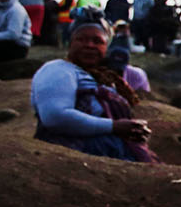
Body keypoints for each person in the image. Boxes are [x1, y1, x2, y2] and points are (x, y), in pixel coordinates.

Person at [31, 21, 156, 162]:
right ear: (70, 43)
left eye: (97, 41)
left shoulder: (103, 78)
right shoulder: (58, 69)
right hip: (69, 155)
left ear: (106, 48)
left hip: (109, 151)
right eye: (81, 39)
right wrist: (114, 126)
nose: (90, 45)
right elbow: (55, 117)